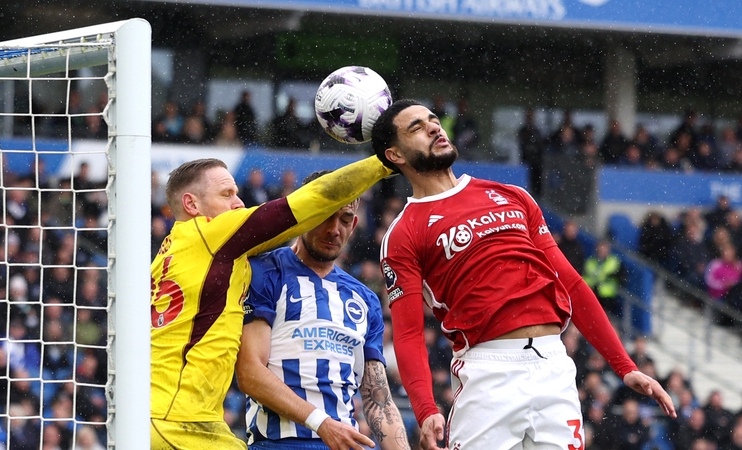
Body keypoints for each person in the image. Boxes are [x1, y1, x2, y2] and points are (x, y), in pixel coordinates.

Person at [370, 99, 675, 450]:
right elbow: (408, 333)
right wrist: (425, 409)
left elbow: (572, 284)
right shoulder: (404, 232)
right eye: (416, 128)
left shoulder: (512, 196)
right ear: (395, 155)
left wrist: (624, 366)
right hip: (487, 373)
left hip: (553, 366)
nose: (434, 128)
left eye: (433, 120)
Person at [149, 155, 393, 449]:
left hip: (176, 416)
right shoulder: (209, 234)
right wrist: (385, 161)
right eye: (227, 195)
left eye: (238, 194)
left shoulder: (179, 252)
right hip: (175, 421)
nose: (239, 203)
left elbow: (280, 233)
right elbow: (306, 205)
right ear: (192, 205)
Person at [236, 170, 410, 450]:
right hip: (279, 443)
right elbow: (249, 373)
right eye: (325, 214)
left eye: (344, 220)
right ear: (304, 214)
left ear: (354, 226)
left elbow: (379, 400)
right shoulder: (265, 271)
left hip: (346, 443)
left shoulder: (364, 298)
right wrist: (321, 423)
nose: (334, 229)